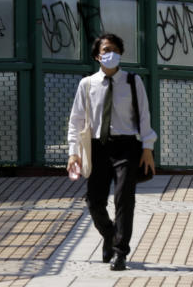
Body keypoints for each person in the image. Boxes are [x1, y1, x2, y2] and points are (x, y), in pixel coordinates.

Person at [66, 32, 156, 271]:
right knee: (94, 202)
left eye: (115, 49)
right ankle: (110, 234)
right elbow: (76, 121)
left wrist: (147, 147)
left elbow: (145, 116)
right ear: (97, 56)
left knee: (124, 199)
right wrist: (73, 152)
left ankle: (120, 252)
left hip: (126, 146)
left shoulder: (133, 81)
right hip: (97, 147)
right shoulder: (86, 85)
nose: (111, 54)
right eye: (106, 50)